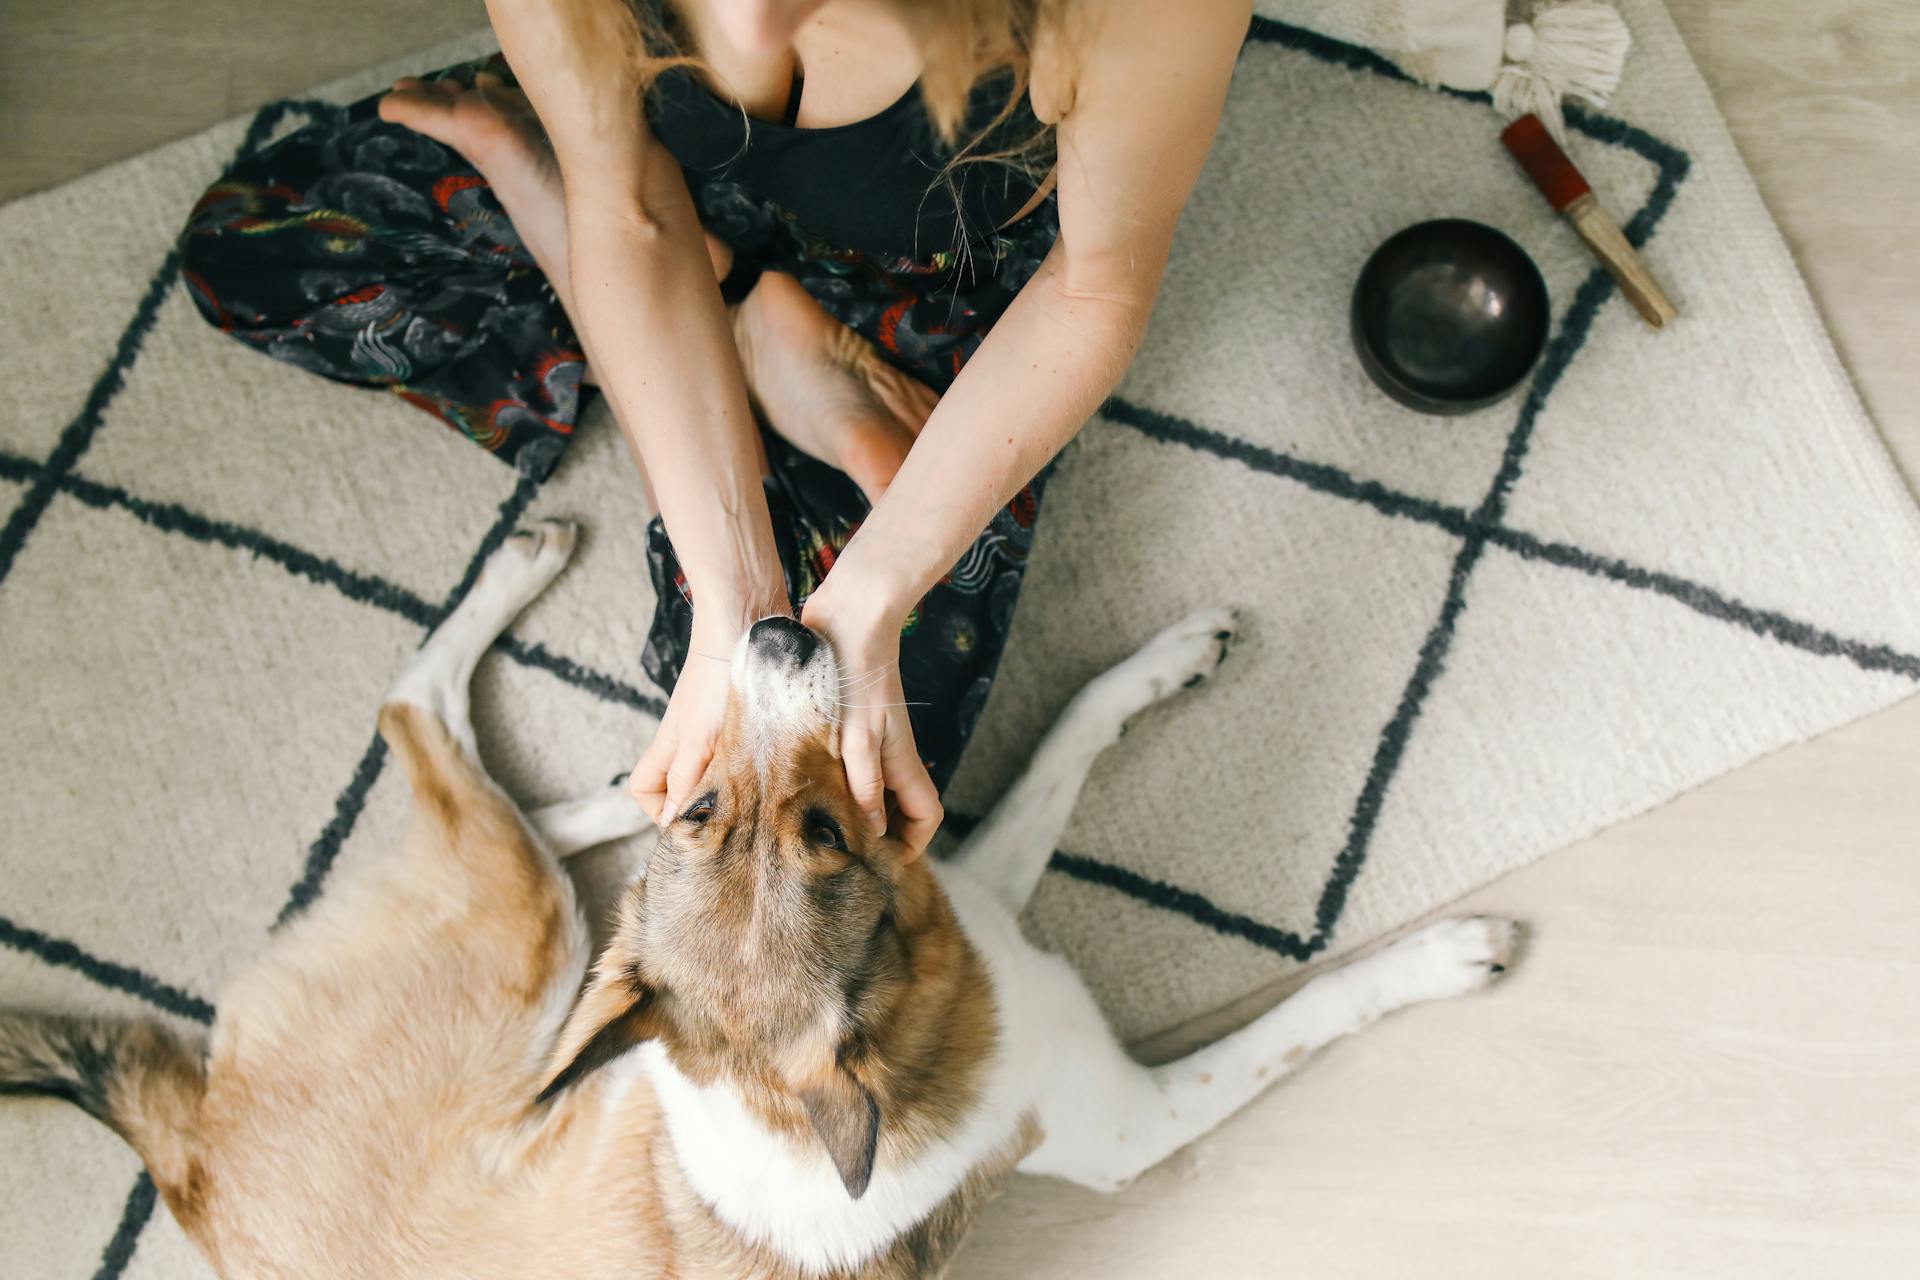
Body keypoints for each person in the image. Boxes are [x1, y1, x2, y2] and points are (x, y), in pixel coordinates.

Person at [178, 0, 1250, 854]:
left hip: (932, 270)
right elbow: (630, 208)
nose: (742, 24)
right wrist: (734, 596)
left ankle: (732, 320)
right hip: (664, 187)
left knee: (850, 759)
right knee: (255, 249)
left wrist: (867, 603)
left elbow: (1093, 291)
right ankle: (743, 314)